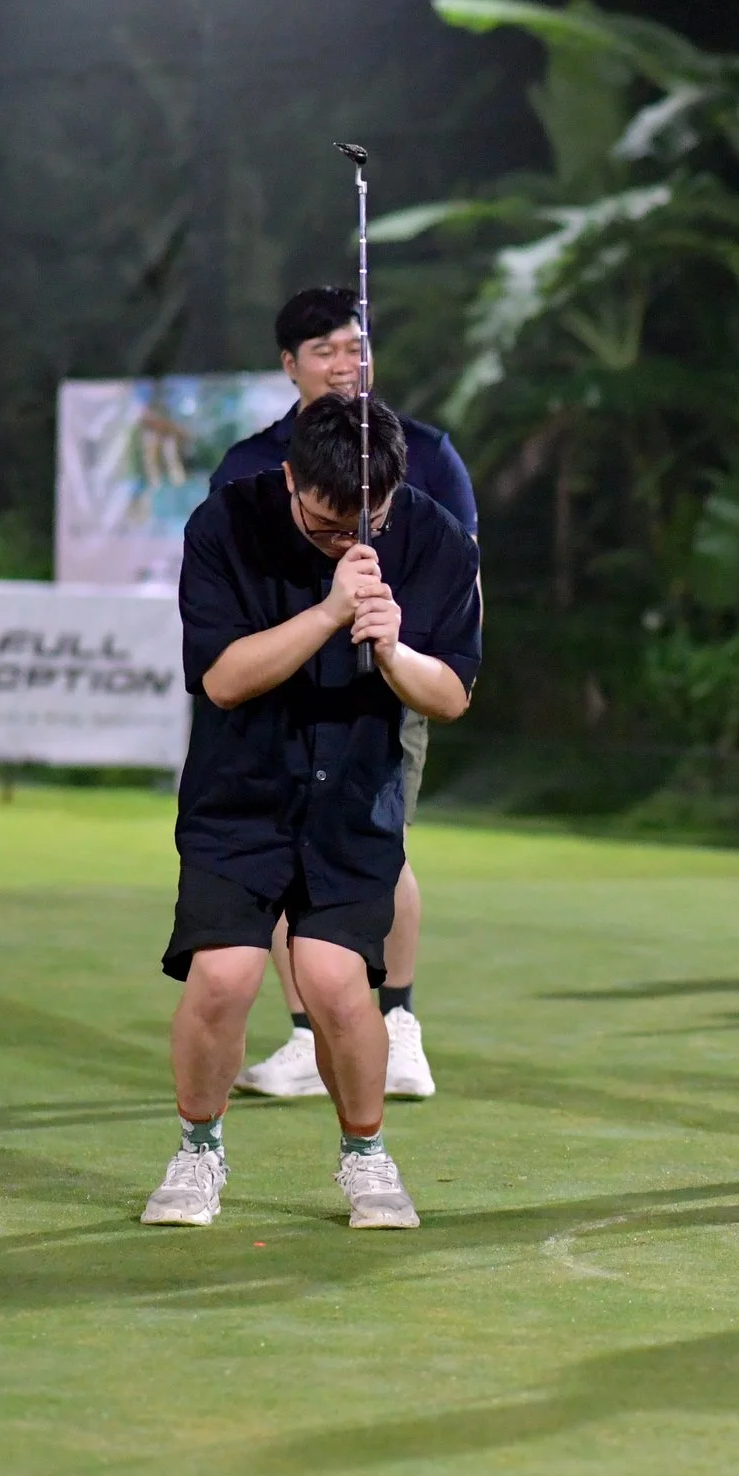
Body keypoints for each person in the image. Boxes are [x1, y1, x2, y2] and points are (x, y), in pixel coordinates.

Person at [141, 392, 482, 1229]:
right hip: (242, 795)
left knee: (335, 985)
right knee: (224, 978)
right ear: (291, 478)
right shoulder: (225, 525)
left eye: (367, 520)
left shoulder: (434, 537)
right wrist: (329, 611)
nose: (350, 539)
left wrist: (394, 648)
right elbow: (221, 676)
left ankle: (366, 1156)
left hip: (353, 802)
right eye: (328, 525)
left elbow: (453, 694)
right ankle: (197, 1151)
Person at [217, 286, 479, 1105]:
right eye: (323, 349)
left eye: (355, 344)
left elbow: (455, 570)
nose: (344, 361)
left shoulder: (426, 453)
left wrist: (395, 634)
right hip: (279, 693)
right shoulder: (252, 463)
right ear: (289, 366)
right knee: (287, 849)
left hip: (384, 683)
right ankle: (307, 1033)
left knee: (379, 839)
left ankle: (396, 1019)